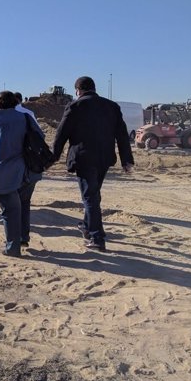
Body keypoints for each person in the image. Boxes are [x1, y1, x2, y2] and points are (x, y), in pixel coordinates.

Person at [53, 76, 134, 251]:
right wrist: (126, 160)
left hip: (84, 158)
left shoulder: (75, 106)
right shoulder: (112, 106)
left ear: (78, 90)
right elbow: (122, 135)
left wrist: (53, 157)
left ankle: (97, 237)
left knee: (90, 196)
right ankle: (86, 226)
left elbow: (62, 134)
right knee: (93, 194)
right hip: (104, 158)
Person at [0, 91, 44, 257]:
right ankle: (23, 237)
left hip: (0, 172)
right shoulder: (25, 118)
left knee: (10, 211)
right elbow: (40, 137)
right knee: (23, 205)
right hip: (25, 172)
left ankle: (13, 248)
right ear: (15, 103)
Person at [14, 92, 42, 248]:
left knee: (12, 203)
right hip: (30, 165)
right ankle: (23, 237)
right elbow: (39, 137)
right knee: (25, 202)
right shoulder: (29, 114)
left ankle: (13, 238)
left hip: (11, 167)